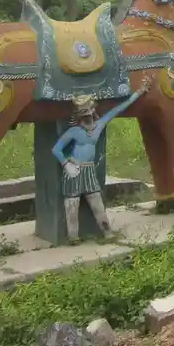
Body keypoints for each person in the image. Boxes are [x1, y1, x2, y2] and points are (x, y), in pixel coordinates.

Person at [52, 81, 149, 241]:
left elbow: (118, 109)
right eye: (84, 112)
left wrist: (138, 93)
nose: (88, 114)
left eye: (90, 109)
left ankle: (107, 232)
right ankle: (73, 237)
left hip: (89, 170)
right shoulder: (74, 131)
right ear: (79, 114)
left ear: (93, 109)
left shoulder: (99, 125)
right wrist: (66, 164)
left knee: (97, 203)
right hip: (74, 169)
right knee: (72, 205)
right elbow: (56, 149)